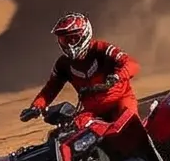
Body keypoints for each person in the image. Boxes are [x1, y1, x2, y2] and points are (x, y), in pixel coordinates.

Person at [23, 13, 140, 142]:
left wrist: (116, 77)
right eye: (65, 40)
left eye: (74, 38)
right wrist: (36, 107)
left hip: (119, 101)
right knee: (70, 135)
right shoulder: (63, 64)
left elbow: (131, 63)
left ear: (85, 35)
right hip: (92, 111)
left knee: (130, 128)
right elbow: (50, 88)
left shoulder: (101, 49)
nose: (70, 45)